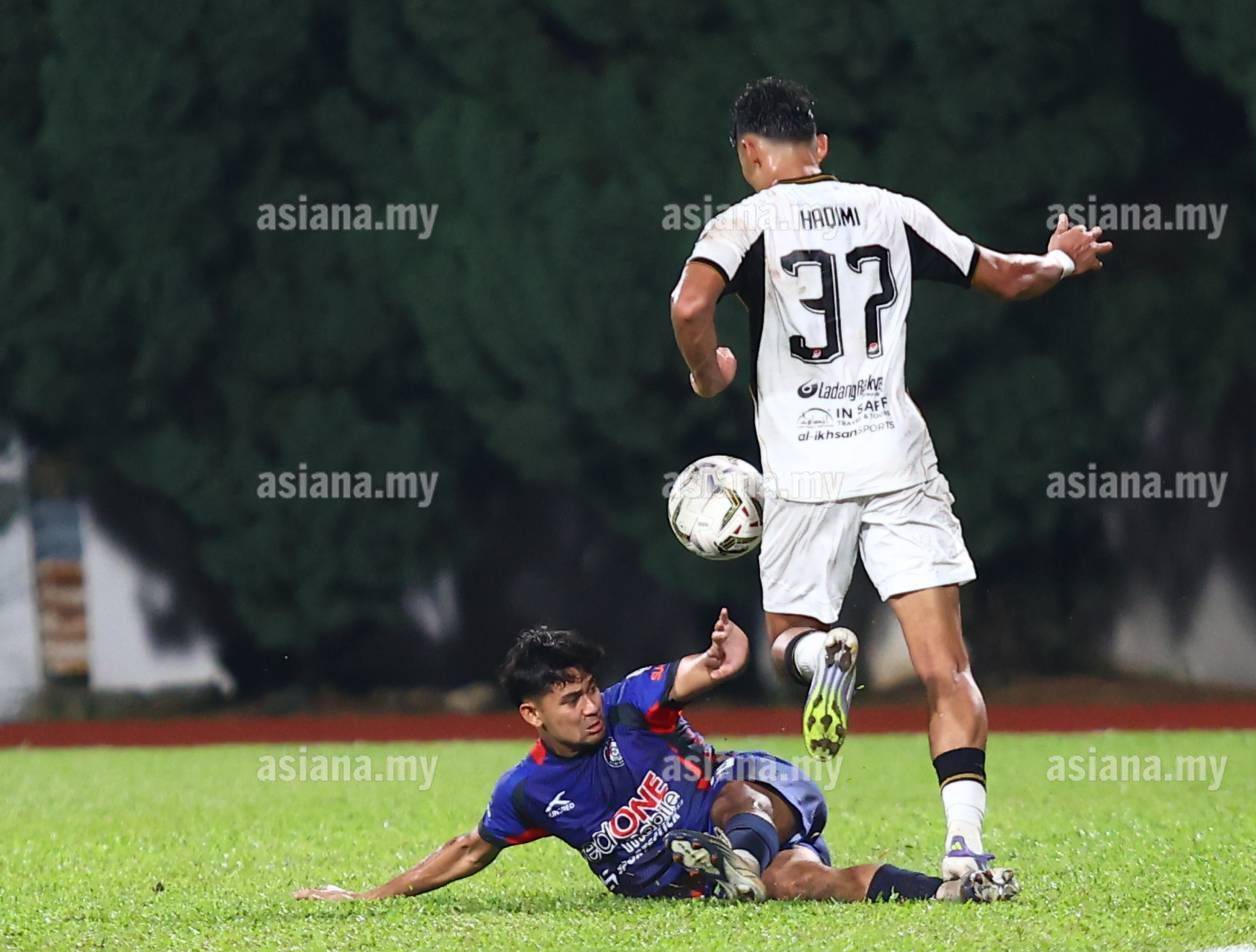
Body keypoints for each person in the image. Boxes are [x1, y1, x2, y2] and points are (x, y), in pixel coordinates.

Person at [669, 77, 1112, 880]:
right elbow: (1008, 276)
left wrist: (708, 374)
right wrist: (1062, 257)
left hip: (806, 471)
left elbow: (689, 306)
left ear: (749, 153)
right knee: (948, 669)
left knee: (786, 640)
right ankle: (965, 850)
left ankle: (821, 656)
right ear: (821, 146)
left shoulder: (743, 222)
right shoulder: (892, 211)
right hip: (898, 463)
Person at [293, 611, 1018, 905]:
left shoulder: (630, 704)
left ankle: (736, 861)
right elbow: (469, 848)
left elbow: (693, 673)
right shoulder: (529, 789)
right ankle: (950, 893)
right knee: (807, 882)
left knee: (734, 793)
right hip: (692, 879)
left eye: (588, 689)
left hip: (749, 797)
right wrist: (367, 898)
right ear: (532, 715)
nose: (588, 705)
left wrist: (721, 657)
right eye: (569, 698)